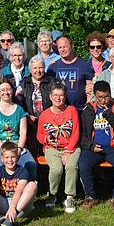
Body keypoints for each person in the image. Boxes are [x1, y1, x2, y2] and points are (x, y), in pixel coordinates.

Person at [78, 81, 114, 212]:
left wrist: (109, 115)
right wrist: (91, 146)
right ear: (95, 96)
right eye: (99, 97)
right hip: (95, 147)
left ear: (110, 94)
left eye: (106, 96)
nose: (103, 100)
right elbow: (83, 136)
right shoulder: (89, 110)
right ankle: (90, 197)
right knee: (84, 165)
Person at [36, 83, 80, 213]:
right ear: (50, 97)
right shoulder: (44, 114)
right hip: (52, 148)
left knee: (71, 167)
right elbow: (39, 134)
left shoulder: (72, 110)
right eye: (55, 95)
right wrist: (46, 139)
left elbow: (76, 132)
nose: (58, 98)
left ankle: (70, 196)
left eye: (61, 95)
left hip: (71, 147)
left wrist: (68, 151)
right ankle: (52, 194)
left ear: (65, 96)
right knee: (56, 169)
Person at [0, 80, 36, 180]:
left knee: (31, 164)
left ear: (12, 91)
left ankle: (29, 190)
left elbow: (23, 133)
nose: (6, 92)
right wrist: (3, 148)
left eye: (8, 89)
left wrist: (19, 149)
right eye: (2, 90)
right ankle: (3, 191)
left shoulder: (20, 110)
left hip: (16, 144)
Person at [19, 54, 56, 158]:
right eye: (35, 68)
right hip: (31, 123)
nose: (38, 71)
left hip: (49, 123)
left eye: (41, 67)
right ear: (30, 69)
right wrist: (26, 115)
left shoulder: (52, 82)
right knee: (33, 153)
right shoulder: (24, 83)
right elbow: (18, 102)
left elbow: (59, 100)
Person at [47, 36, 94, 112]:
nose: (62, 50)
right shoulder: (52, 68)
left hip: (80, 110)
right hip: (60, 111)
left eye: (65, 47)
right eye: (60, 47)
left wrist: (88, 107)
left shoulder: (84, 65)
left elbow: (90, 89)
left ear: (72, 46)